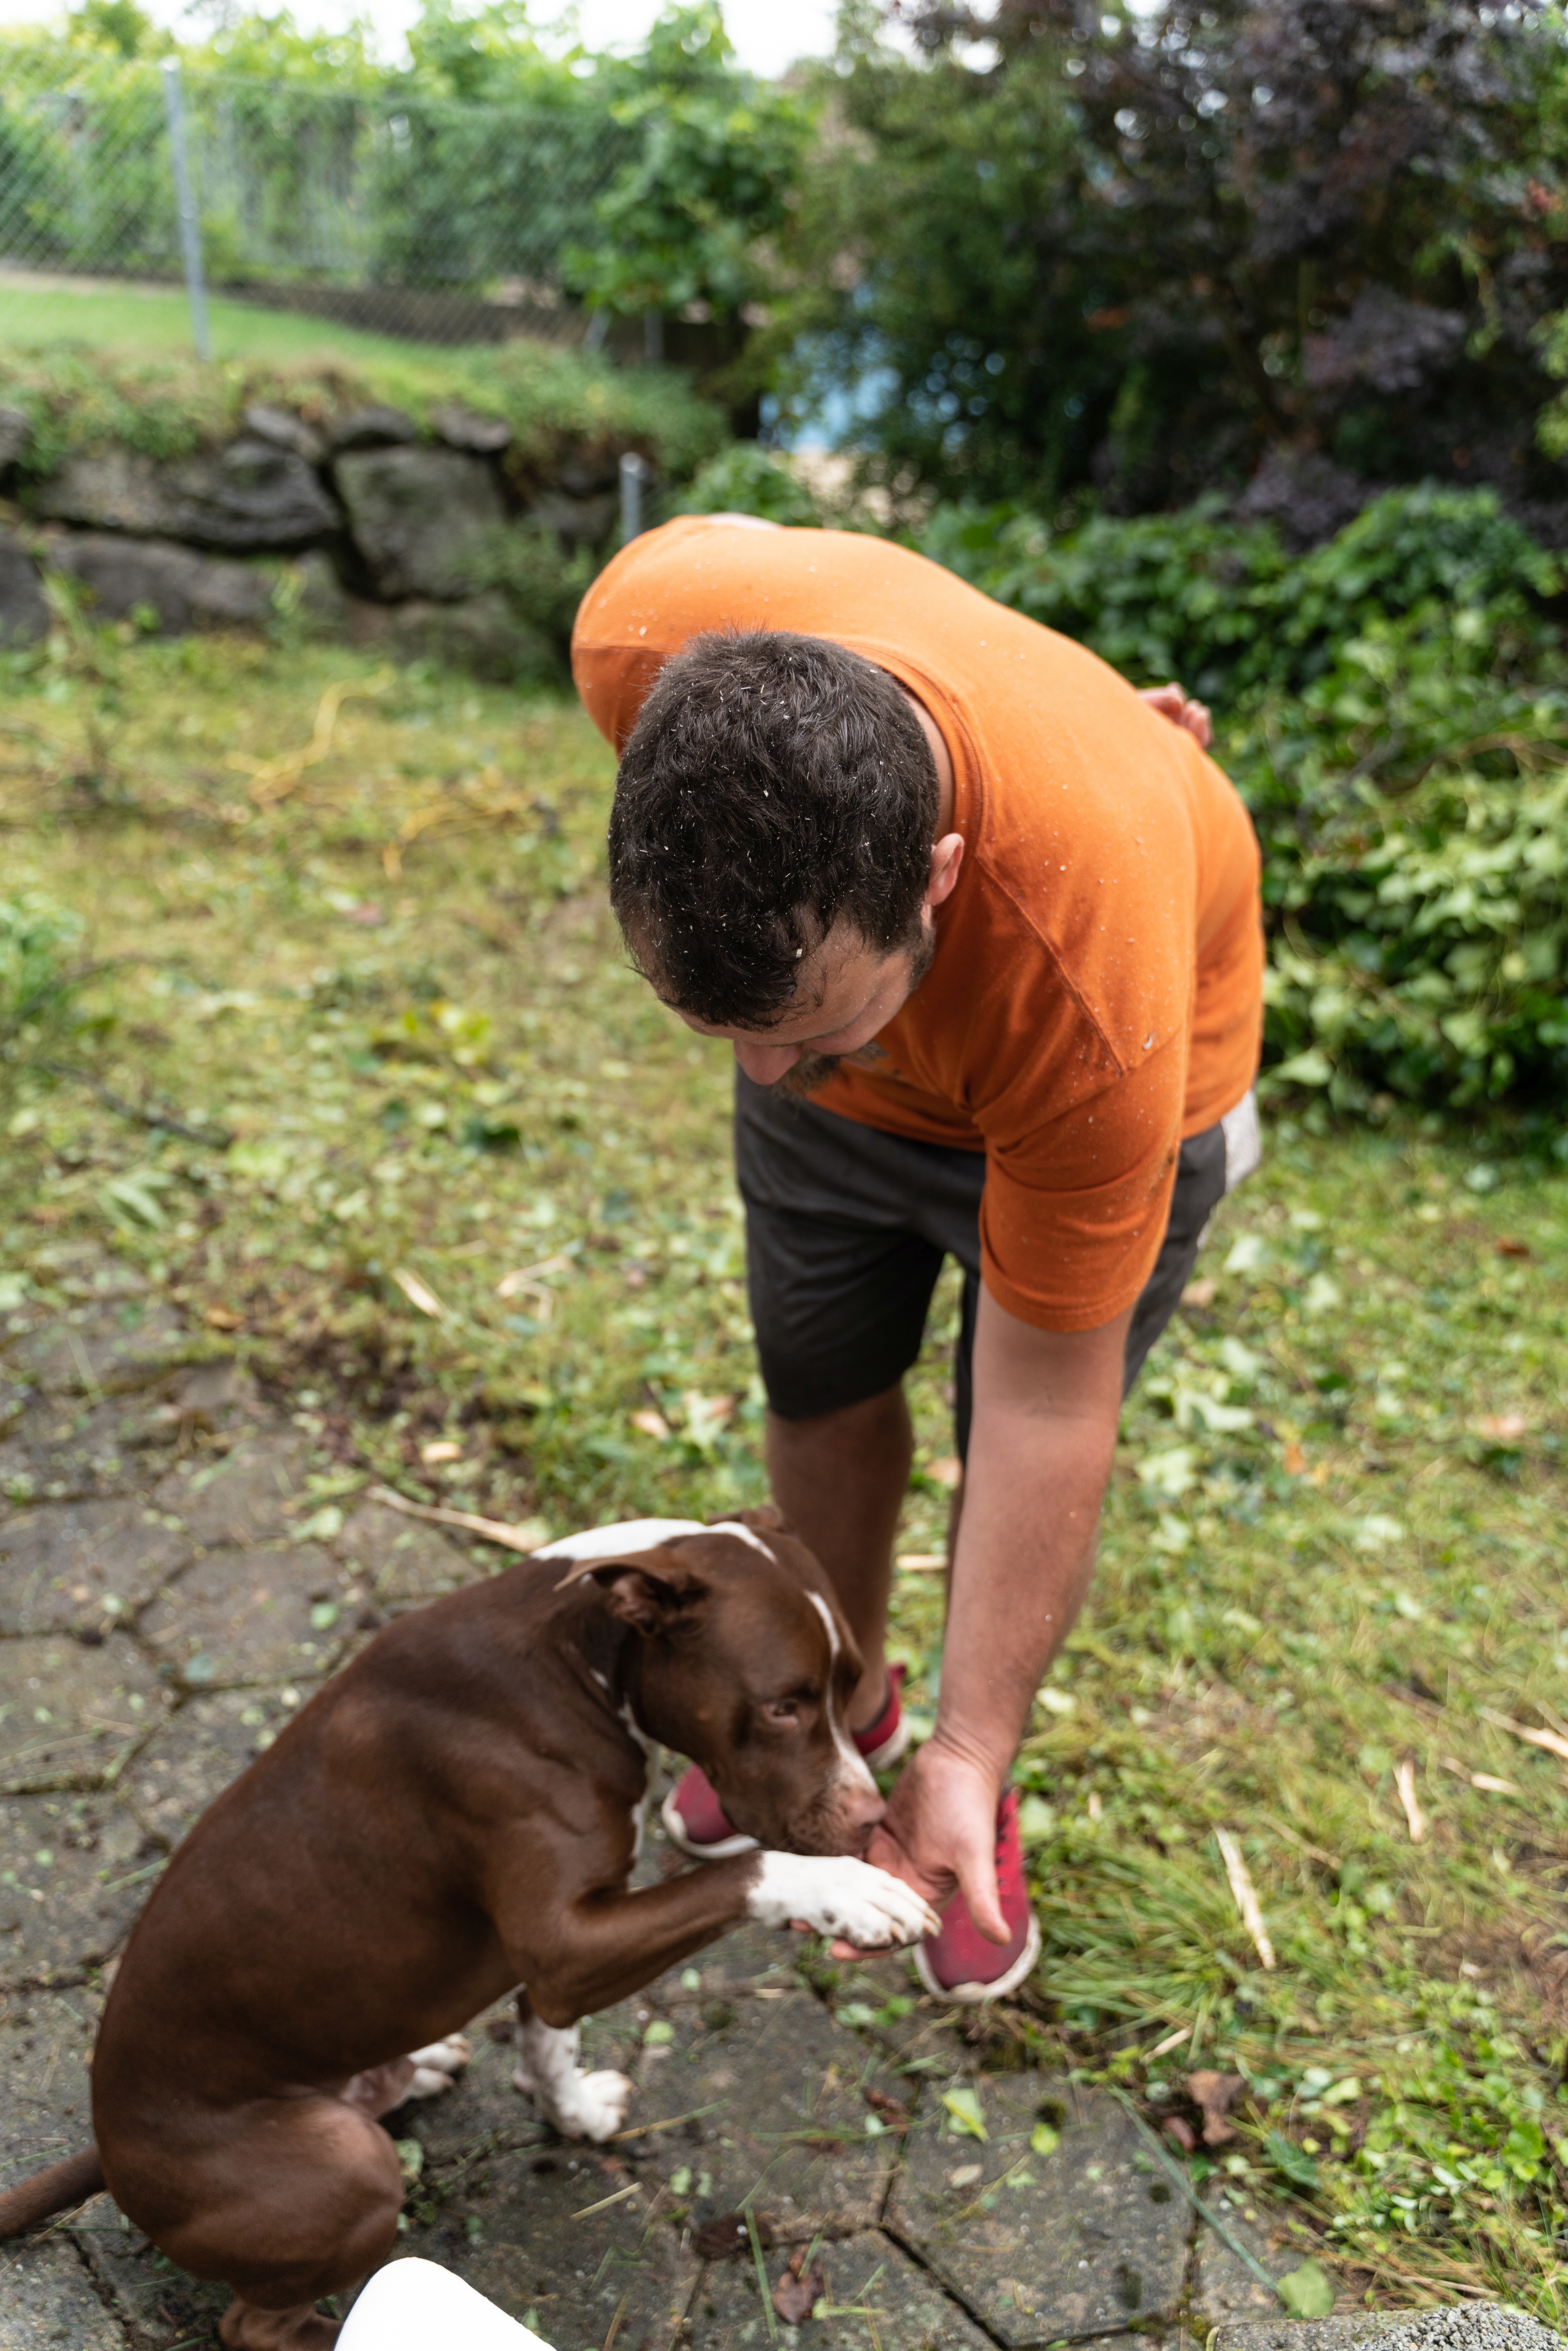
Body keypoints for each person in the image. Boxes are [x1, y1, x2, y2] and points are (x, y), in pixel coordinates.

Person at [571, 516, 1263, 2001]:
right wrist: (823, 1030)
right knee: (819, 1380)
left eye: (802, 1029)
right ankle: (842, 1704)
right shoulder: (642, 633)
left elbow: (1043, 1412)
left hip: (1111, 1069)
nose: (758, 1076)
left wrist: (972, 1743)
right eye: (717, 1034)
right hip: (921, 1017)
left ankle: (958, 1776)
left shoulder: (1091, 996)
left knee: (988, 1413)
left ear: (937, 873)